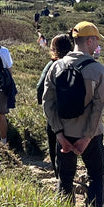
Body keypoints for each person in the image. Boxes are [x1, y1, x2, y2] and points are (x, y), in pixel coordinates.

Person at [42, 21, 104, 207]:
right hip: (91, 135)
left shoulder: (55, 67)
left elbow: (48, 103)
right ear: (89, 41)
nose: (97, 45)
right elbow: (98, 108)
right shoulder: (98, 70)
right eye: (96, 40)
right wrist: (87, 137)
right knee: (97, 176)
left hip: (64, 132)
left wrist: (59, 134)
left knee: (64, 178)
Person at [35, 33, 73, 162]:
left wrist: (42, 102)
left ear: (54, 49)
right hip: (77, 112)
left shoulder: (52, 65)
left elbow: (40, 87)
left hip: (56, 111)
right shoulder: (77, 63)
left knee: (55, 143)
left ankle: (58, 173)